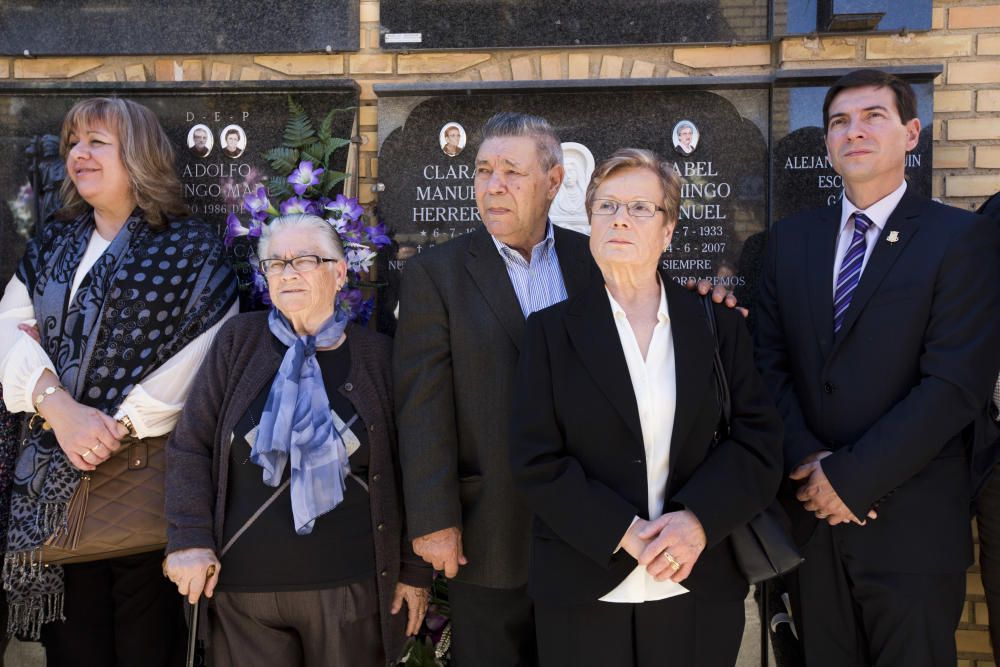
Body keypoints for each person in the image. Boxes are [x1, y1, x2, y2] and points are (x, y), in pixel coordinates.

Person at [755, 68, 1000, 666]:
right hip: (810, 521)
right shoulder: (787, 242)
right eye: (839, 121)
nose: (853, 132)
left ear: (911, 133)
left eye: (873, 117)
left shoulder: (960, 238)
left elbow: (953, 385)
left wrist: (853, 478)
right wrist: (809, 462)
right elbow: (765, 364)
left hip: (912, 528)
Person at [507, 148, 783, 666]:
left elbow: (758, 443)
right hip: (585, 585)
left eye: (640, 208)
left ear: (669, 228)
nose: (620, 219)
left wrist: (698, 519)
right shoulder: (549, 332)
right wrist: (624, 531)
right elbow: (534, 459)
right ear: (589, 223)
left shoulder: (717, 326)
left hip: (696, 584)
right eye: (607, 206)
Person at [0, 96, 238, 666]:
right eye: (73, 143)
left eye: (96, 142)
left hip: (150, 493)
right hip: (56, 495)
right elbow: (8, 332)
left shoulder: (192, 248)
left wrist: (114, 425)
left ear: (139, 155)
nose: (78, 154)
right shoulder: (52, 247)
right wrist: (60, 410)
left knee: (147, 646)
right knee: (73, 649)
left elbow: (204, 353)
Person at [164, 213, 431, 666]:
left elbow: (416, 467)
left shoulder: (378, 357)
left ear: (340, 271)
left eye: (305, 259)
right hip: (244, 593)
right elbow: (191, 445)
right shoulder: (237, 343)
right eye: (275, 262)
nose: (287, 272)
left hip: (351, 591)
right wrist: (188, 540)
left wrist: (413, 569)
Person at [393, 112, 596, 666]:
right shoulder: (437, 274)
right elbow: (421, 405)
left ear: (554, 182)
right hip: (487, 531)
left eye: (512, 171)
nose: (493, 186)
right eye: (483, 171)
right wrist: (434, 518)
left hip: (590, 528)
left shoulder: (596, 259)